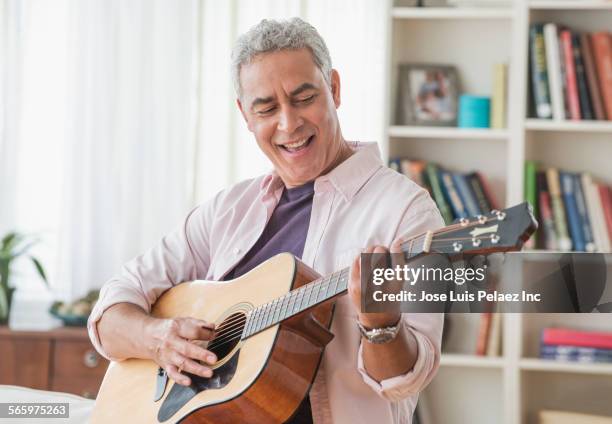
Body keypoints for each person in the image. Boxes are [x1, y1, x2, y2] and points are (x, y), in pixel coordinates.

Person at [88, 17, 444, 424]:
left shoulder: (407, 213)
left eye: (303, 97)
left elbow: (406, 380)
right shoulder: (229, 210)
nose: (289, 123)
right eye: (267, 108)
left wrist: (381, 325)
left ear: (334, 89)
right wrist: (158, 339)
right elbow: (114, 304)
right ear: (245, 114)